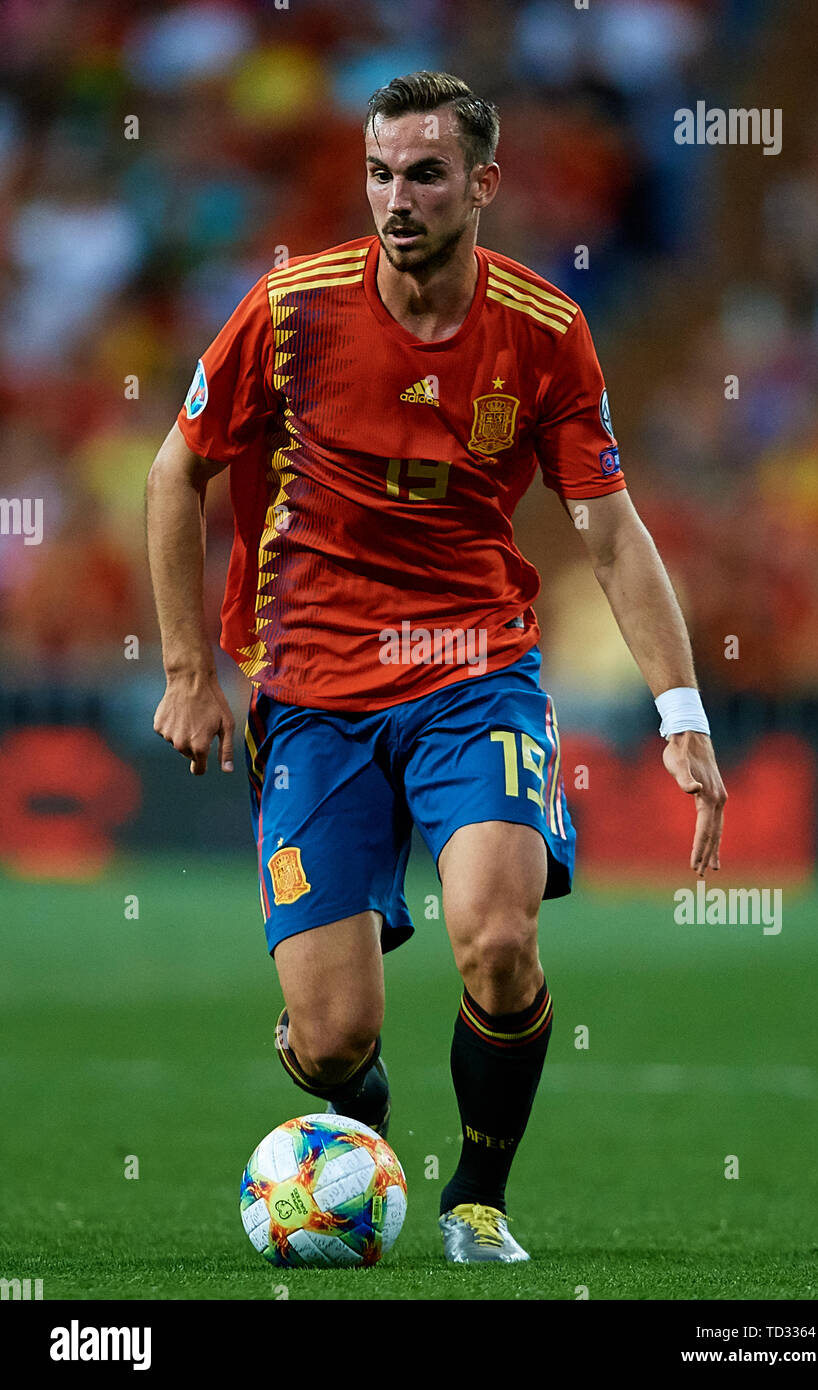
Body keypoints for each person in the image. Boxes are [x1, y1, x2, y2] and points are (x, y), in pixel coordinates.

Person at [146, 71, 727, 1264]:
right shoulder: (290, 308)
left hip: (476, 676)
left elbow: (608, 532)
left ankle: (475, 1200)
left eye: (422, 174)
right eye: (377, 173)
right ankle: (351, 1116)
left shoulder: (545, 332)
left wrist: (679, 709)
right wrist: (187, 670)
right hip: (312, 690)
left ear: (481, 184)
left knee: (497, 940)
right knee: (331, 1034)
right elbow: (174, 473)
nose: (394, 198)